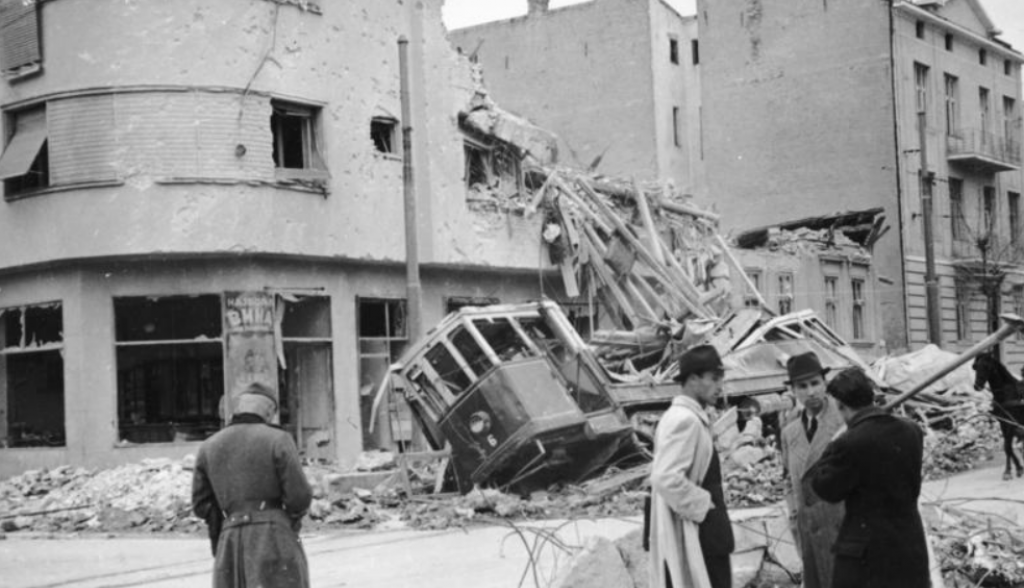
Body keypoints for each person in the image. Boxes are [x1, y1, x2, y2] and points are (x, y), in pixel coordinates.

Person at [804, 367, 929, 588]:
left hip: (866, 558)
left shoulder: (848, 443)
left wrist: (832, 446)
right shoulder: (912, 431)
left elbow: (825, 488)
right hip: (910, 550)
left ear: (841, 404)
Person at [192, 382, 313, 588]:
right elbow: (299, 497)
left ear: (238, 409)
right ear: (269, 411)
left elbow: (201, 504)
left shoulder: (208, 446)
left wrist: (225, 524)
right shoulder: (278, 439)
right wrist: (288, 521)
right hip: (274, 537)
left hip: (230, 540)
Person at [649, 344, 734, 588]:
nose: (720, 387)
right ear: (693, 379)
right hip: (699, 532)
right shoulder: (685, 420)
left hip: (704, 531)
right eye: (714, 379)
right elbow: (665, 477)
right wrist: (704, 505)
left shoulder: (684, 416)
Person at [779, 352, 845, 588]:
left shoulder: (843, 421)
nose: (811, 392)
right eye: (802, 386)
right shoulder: (790, 431)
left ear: (824, 383)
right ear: (794, 391)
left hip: (843, 529)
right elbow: (788, 479)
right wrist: (795, 515)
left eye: (815, 383)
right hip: (809, 532)